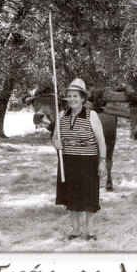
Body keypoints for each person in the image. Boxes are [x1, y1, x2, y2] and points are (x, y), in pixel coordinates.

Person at [53, 78, 107, 240]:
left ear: (83, 98)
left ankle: (90, 231)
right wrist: (56, 143)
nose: (72, 99)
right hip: (68, 162)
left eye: (75, 96)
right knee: (72, 198)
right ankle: (75, 230)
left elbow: (101, 141)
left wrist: (102, 161)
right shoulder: (61, 115)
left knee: (89, 196)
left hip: (88, 162)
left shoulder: (92, 115)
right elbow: (55, 138)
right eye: (69, 96)